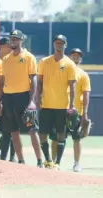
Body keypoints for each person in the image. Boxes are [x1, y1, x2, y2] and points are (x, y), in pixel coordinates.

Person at [0, 30, 43, 167]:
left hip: (24, 97)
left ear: (21, 41)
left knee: (32, 130)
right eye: (12, 39)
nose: (13, 41)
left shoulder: (29, 57)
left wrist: (32, 101)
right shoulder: (5, 59)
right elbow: (2, 81)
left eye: (16, 39)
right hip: (8, 98)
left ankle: (39, 161)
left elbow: (33, 78)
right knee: (13, 131)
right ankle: (21, 161)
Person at [37, 35, 77, 170]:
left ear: (65, 45)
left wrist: (71, 105)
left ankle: (58, 162)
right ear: (54, 44)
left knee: (61, 133)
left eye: (61, 43)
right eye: (57, 43)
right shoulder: (44, 61)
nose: (58, 45)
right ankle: (48, 160)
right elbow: (40, 82)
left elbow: (72, 86)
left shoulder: (70, 64)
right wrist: (37, 99)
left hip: (62, 105)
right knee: (42, 134)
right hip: (46, 104)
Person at [49, 48, 91, 172]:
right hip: (60, 109)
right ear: (69, 56)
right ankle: (53, 162)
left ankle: (77, 163)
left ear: (81, 59)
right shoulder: (62, 69)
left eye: (78, 56)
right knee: (56, 137)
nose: (75, 57)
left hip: (76, 112)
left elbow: (86, 94)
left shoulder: (83, 74)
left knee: (76, 138)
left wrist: (85, 113)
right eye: (73, 55)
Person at [0, 37, 16, 162]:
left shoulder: (12, 60)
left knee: (11, 129)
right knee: (5, 129)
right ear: (2, 47)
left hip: (10, 96)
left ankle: (11, 156)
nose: (10, 47)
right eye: (8, 45)